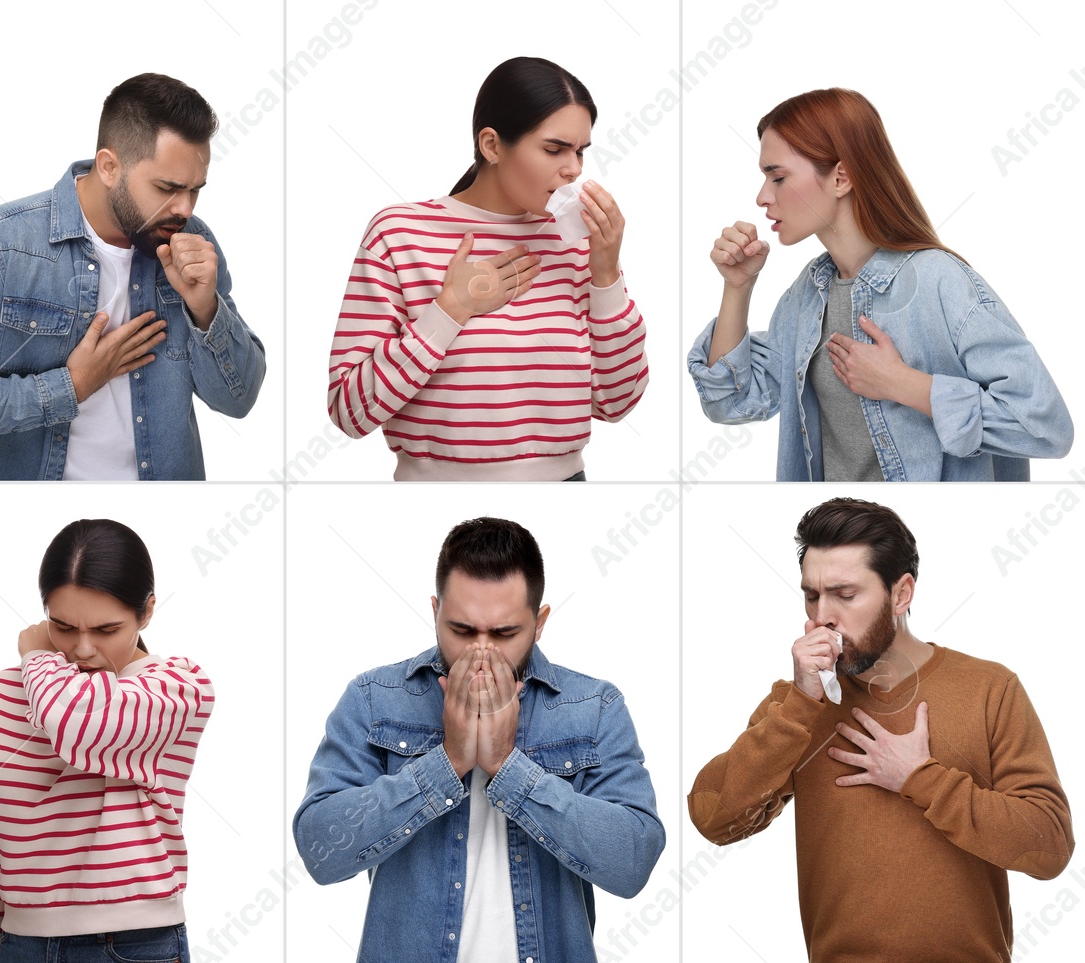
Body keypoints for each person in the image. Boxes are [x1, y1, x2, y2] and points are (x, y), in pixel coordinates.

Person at [689, 497, 1073, 960]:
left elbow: (1050, 849)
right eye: (812, 595)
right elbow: (714, 819)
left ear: (901, 594)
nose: (822, 615)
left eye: (845, 594)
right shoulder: (798, 704)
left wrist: (919, 778)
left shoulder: (990, 689)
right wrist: (799, 706)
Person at [294, 517, 663, 962]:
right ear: (435, 612)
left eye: (505, 633)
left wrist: (509, 767)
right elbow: (320, 851)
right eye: (462, 631)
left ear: (539, 622)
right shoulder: (375, 699)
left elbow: (633, 861)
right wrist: (446, 763)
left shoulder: (594, 706)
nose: (481, 652)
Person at [687, 88, 1072, 481]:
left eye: (778, 177)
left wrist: (903, 385)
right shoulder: (807, 296)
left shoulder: (940, 282)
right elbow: (729, 403)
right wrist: (738, 286)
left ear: (841, 177)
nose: (762, 196)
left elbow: (1046, 429)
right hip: (840, 525)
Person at [0, 74, 266, 480]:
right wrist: (71, 386)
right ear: (109, 166)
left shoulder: (193, 242)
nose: (184, 208)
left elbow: (239, 400)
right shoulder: (0, 247)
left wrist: (205, 309)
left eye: (195, 190)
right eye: (167, 187)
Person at [326, 57, 649, 481]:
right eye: (554, 149)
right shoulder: (399, 233)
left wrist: (606, 275)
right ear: (492, 145)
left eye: (581, 151)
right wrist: (451, 310)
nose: (574, 169)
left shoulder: (578, 243)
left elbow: (617, 402)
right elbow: (350, 412)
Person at [0, 519, 216, 962]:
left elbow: (76, 723)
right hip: (21, 943)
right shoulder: (0, 694)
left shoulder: (179, 688)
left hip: (135, 944)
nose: (81, 649)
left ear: (147, 611)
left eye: (105, 630)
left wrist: (38, 655)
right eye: (61, 627)